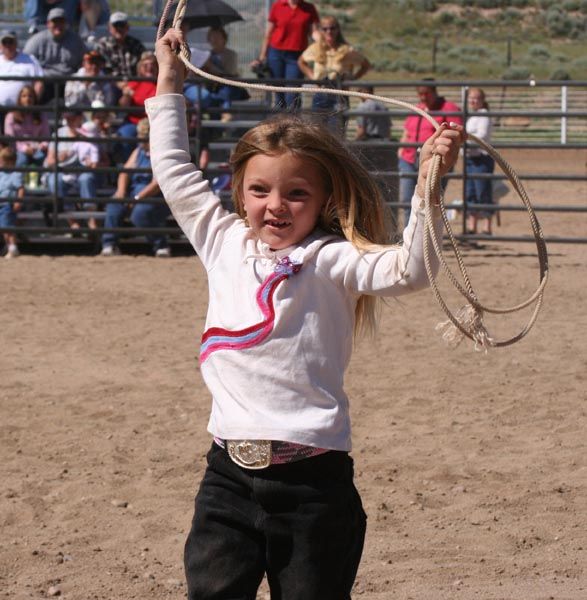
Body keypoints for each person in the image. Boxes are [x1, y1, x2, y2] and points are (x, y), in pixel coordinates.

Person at [148, 28, 464, 599]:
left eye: (296, 193)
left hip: (314, 485)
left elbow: (411, 271)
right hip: (226, 479)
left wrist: (428, 190)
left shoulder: (332, 259)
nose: (275, 206)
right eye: (260, 190)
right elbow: (172, 165)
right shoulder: (220, 240)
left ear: (324, 201)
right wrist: (170, 81)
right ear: (239, 192)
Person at [101, 118, 170, 257]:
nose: (141, 140)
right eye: (140, 136)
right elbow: (125, 172)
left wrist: (137, 198)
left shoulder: (161, 153)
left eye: (144, 137)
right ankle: (109, 244)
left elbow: (156, 184)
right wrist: (121, 191)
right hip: (134, 191)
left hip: (154, 196)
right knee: (114, 205)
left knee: (140, 213)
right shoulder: (139, 151)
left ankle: (160, 245)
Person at [398, 80, 462, 225]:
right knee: (408, 198)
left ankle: (426, 235)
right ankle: (411, 234)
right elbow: (407, 131)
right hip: (409, 158)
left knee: (430, 199)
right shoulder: (417, 109)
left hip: (434, 161)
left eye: (426, 93)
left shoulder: (448, 108)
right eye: (420, 94)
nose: (423, 97)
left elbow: (456, 135)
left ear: (434, 92)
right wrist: (401, 149)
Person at [298, 16, 370, 135]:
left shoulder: (347, 50)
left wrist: (352, 78)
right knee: (317, 133)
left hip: (339, 94)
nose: (329, 32)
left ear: (338, 30)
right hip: (320, 94)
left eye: (332, 28)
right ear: (321, 30)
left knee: (336, 134)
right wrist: (313, 77)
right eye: (325, 29)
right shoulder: (316, 48)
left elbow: (365, 64)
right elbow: (301, 62)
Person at [253, 0, 319, 109]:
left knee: (293, 94)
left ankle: (294, 124)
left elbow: (313, 33)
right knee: (279, 93)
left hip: (297, 57)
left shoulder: (309, 8)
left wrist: (322, 44)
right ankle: (280, 123)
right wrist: (262, 56)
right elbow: (269, 33)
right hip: (275, 54)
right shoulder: (278, 5)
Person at [45, 113, 99, 231]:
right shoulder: (59, 134)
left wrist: (93, 163)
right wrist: (60, 157)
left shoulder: (89, 132)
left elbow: (104, 160)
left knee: (86, 178)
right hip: (63, 171)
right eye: (67, 118)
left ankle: (91, 221)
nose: (69, 120)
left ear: (80, 118)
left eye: (72, 117)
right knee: (55, 180)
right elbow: (49, 160)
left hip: (84, 171)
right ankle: (73, 222)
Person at [24, 7, 87, 104]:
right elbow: (25, 61)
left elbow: (85, 62)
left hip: (69, 82)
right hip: (45, 82)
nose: (58, 25)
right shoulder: (37, 40)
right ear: (48, 24)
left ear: (66, 24)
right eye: (55, 22)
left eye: (61, 21)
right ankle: (33, 116)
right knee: (36, 86)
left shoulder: (76, 40)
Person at [116, 51, 157, 162]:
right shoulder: (134, 83)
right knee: (125, 135)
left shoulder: (161, 84)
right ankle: (129, 167)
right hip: (133, 121)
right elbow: (123, 105)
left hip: (154, 122)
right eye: (146, 65)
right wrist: (126, 95)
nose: (150, 67)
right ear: (140, 68)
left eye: (153, 65)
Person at [465, 87, 495, 236]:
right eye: (471, 98)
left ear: (482, 100)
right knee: (471, 191)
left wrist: (464, 141)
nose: (473, 101)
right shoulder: (473, 116)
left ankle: (486, 226)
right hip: (471, 158)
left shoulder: (483, 115)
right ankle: (473, 225)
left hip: (482, 158)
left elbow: (481, 135)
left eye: (476, 98)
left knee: (482, 191)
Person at [95, 11, 146, 94]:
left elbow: (145, 65)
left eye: (122, 25)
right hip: (110, 85)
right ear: (109, 28)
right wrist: (117, 83)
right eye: (116, 26)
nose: (119, 29)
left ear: (127, 27)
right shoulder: (103, 45)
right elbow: (102, 69)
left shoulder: (137, 45)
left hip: (134, 85)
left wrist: (132, 84)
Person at [3, 85, 50, 170]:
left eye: (30, 96)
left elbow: (46, 136)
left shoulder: (42, 115)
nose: (27, 99)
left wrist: (41, 146)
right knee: (21, 160)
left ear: (35, 99)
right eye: (24, 96)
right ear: (19, 99)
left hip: (37, 150)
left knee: (43, 159)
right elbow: (10, 139)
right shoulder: (11, 116)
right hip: (18, 151)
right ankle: (19, 183)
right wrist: (24, 148)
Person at [0, 30, 44, 112]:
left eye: (11, 42)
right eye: (5, 42)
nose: (8, 45)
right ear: (0, 45)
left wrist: (33, 103)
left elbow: (39, 82)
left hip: (22, 110)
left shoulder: (29, 59)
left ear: (16, 43)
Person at [0, 146, 25, 258]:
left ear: (10, 162)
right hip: (2, 203)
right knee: (5, 227)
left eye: (2, 161)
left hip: (7, 204)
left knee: (7, 227)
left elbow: (20, 188)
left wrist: (18, 202)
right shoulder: (1, 172)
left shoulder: (15, 174)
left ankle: (12, 247)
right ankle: (10, 246)